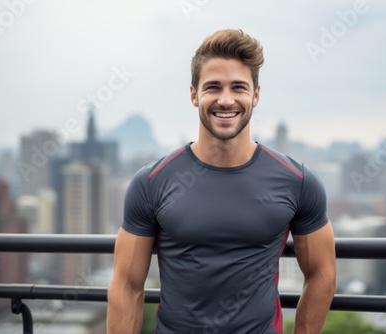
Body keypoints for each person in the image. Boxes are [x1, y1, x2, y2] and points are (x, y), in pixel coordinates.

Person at [107, 29, 336, 334]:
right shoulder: (151, 182)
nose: (226, 100)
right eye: (213, 87)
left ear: (255, 94)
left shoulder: (298, 181)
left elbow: (322, 274)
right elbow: (127, 286)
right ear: (194, 95)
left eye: (238, 87)